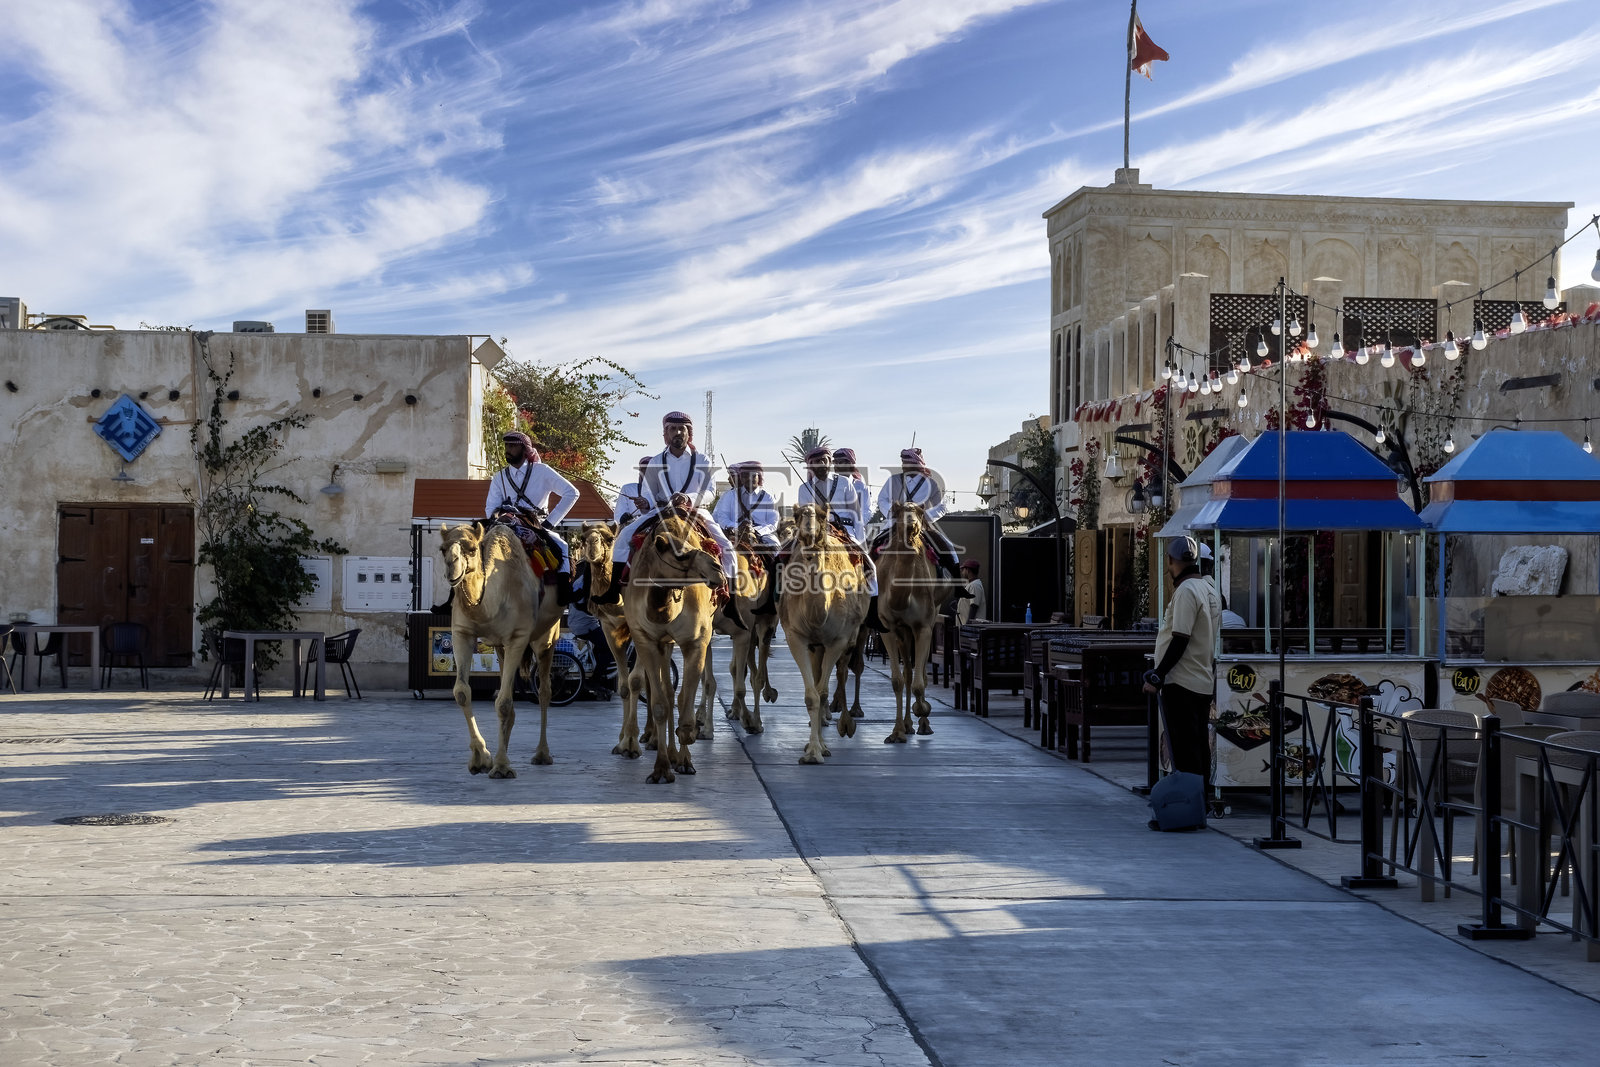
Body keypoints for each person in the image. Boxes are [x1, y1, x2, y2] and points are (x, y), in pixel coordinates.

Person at [593, 411, 735, 604]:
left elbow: (709, 492)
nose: (678, 432)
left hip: (695, 510)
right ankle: (614, 590)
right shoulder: (656, 461)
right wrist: (646, 502)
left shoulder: (702, 460)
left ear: (689, 433)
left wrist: (687, 498)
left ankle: (732, 599)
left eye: (682, 429)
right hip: (662, 511)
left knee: (726, 545)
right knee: (624, 536)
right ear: (666, 433)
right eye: (673, 429)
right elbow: (649, 493)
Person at [1142, 535, 1222, 829]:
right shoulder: (1207, 588)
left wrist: (1158, 674)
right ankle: (1199, 808)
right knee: (1198, 745)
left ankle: (1187, 815)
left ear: (1171, 561)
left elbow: (1180, 639)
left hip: (1183, 681)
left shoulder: (1187, 590)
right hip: (1200, 678)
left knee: (1185, 749)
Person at [486, 430, 579, 603]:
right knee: (469, 543)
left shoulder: (542, 471)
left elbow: (572, 493)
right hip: (507, 524)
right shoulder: (499, 477)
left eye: (512, 446)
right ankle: (455, 598)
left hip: (536, 524)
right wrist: (498, 518)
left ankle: (564, 593)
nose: (508, 449)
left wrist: (548, 524)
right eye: (506, 446)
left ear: (525, 449)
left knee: (562, 545)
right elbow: (491, 507)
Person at [793, 444, 878, 602]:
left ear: (830, 462)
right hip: (818, 532)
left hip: (845, 530)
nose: (821, 464)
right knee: (785, 556)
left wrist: (861, 544)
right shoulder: (804, 489)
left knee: (870, 566)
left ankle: (873, 602)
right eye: (817, 462)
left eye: (824, 460)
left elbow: (857, 516)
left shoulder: (845, 483)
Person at [875, 447, 962, 578]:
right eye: (903, 463)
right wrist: (890, 509)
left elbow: (942, 507)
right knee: (873, 543)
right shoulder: (893, 480)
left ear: (917, 464)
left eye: (907, 463)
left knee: (948, 547)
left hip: (921, 526)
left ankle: (957, 582)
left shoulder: (931, 484)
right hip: (895, 524)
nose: (903, 466)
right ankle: (867, 580)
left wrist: (924, 516)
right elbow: (882, 499)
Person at [712, 461, 780, 546]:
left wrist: (755, 530)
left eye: (753, 476)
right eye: (745, 476)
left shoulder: (768, 498)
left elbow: (772, 523)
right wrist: (737, 527)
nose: (749, 479)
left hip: (761, 535)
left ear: (759, 476)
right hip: (732, 533)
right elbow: (722, 518)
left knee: (774, 545)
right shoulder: (729, 495)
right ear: (741, 478)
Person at [613, 455, 655, 525]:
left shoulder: (664, 490)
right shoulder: (628, 489)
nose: (647, 472)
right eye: (643, 469)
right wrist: (622, 521)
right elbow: (619, 515)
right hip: (635, 525)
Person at [955, 560, 986, 624]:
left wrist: (968, 625)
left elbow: (974, 606)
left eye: (963, 569)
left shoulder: (975, 585)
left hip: (972, 627)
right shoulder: (972, 584)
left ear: (968, 570)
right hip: (967, 627)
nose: (961, 572)